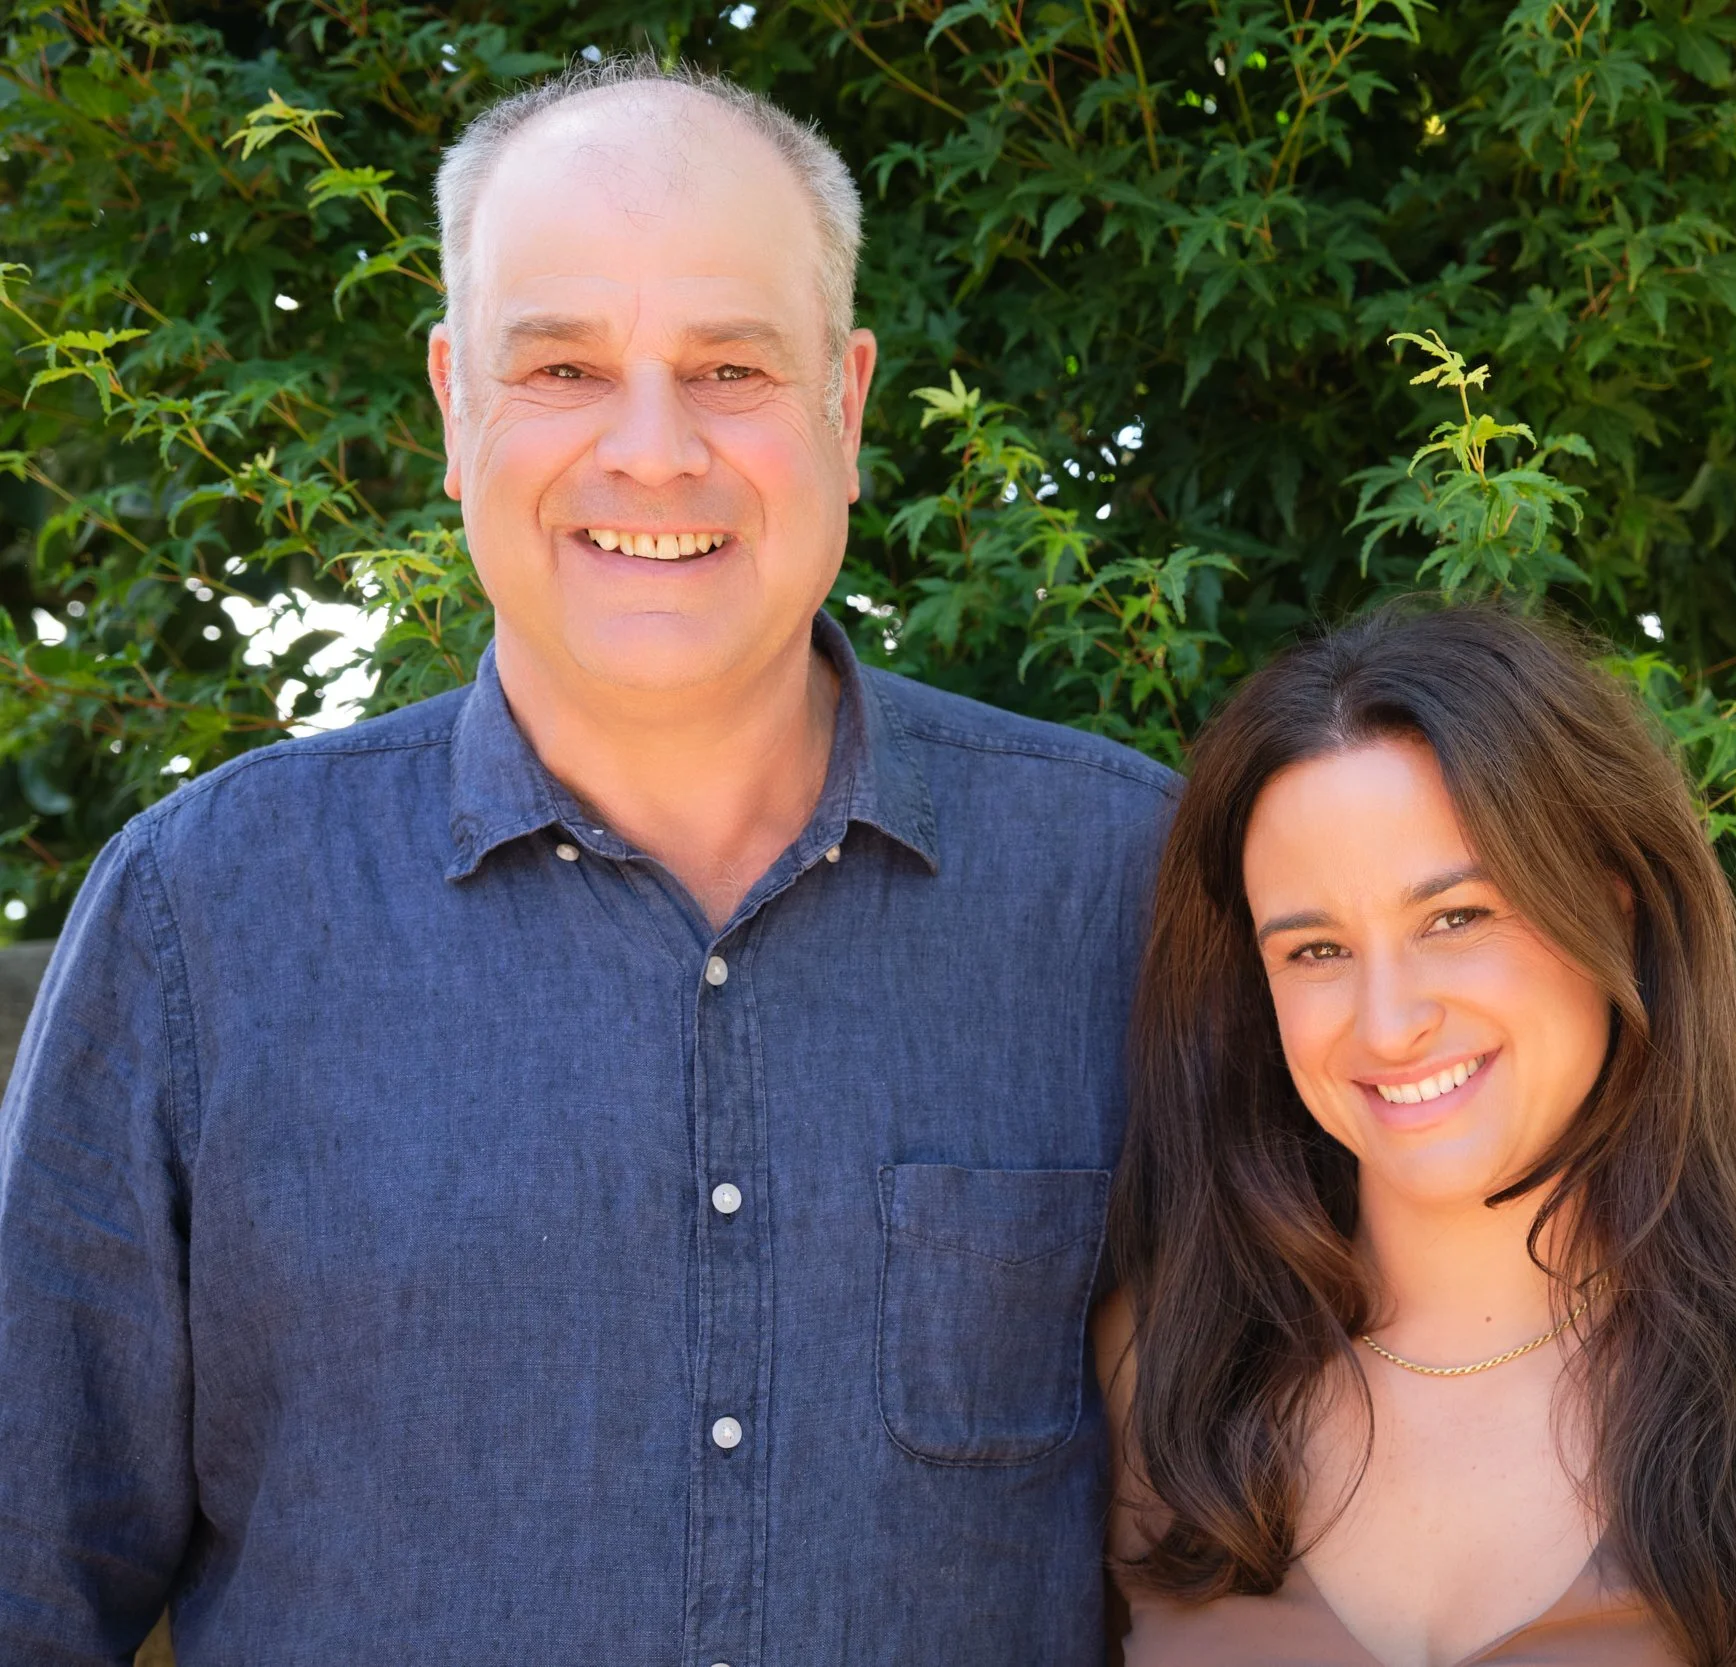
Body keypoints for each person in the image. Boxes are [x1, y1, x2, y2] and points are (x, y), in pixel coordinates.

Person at [0, 58, 1172, 1665]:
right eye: (559, 365)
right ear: (451, 402)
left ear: (846, 406)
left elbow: (1330, 1502)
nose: (651, 448)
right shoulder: (199, 919)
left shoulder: (1127, 886)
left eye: (729, 366)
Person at [1098, 605, 1736, 1666]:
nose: (1389, 1019)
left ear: (1616, 907)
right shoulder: (1161, 1367)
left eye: (1456, 918)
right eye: (1315, 949)